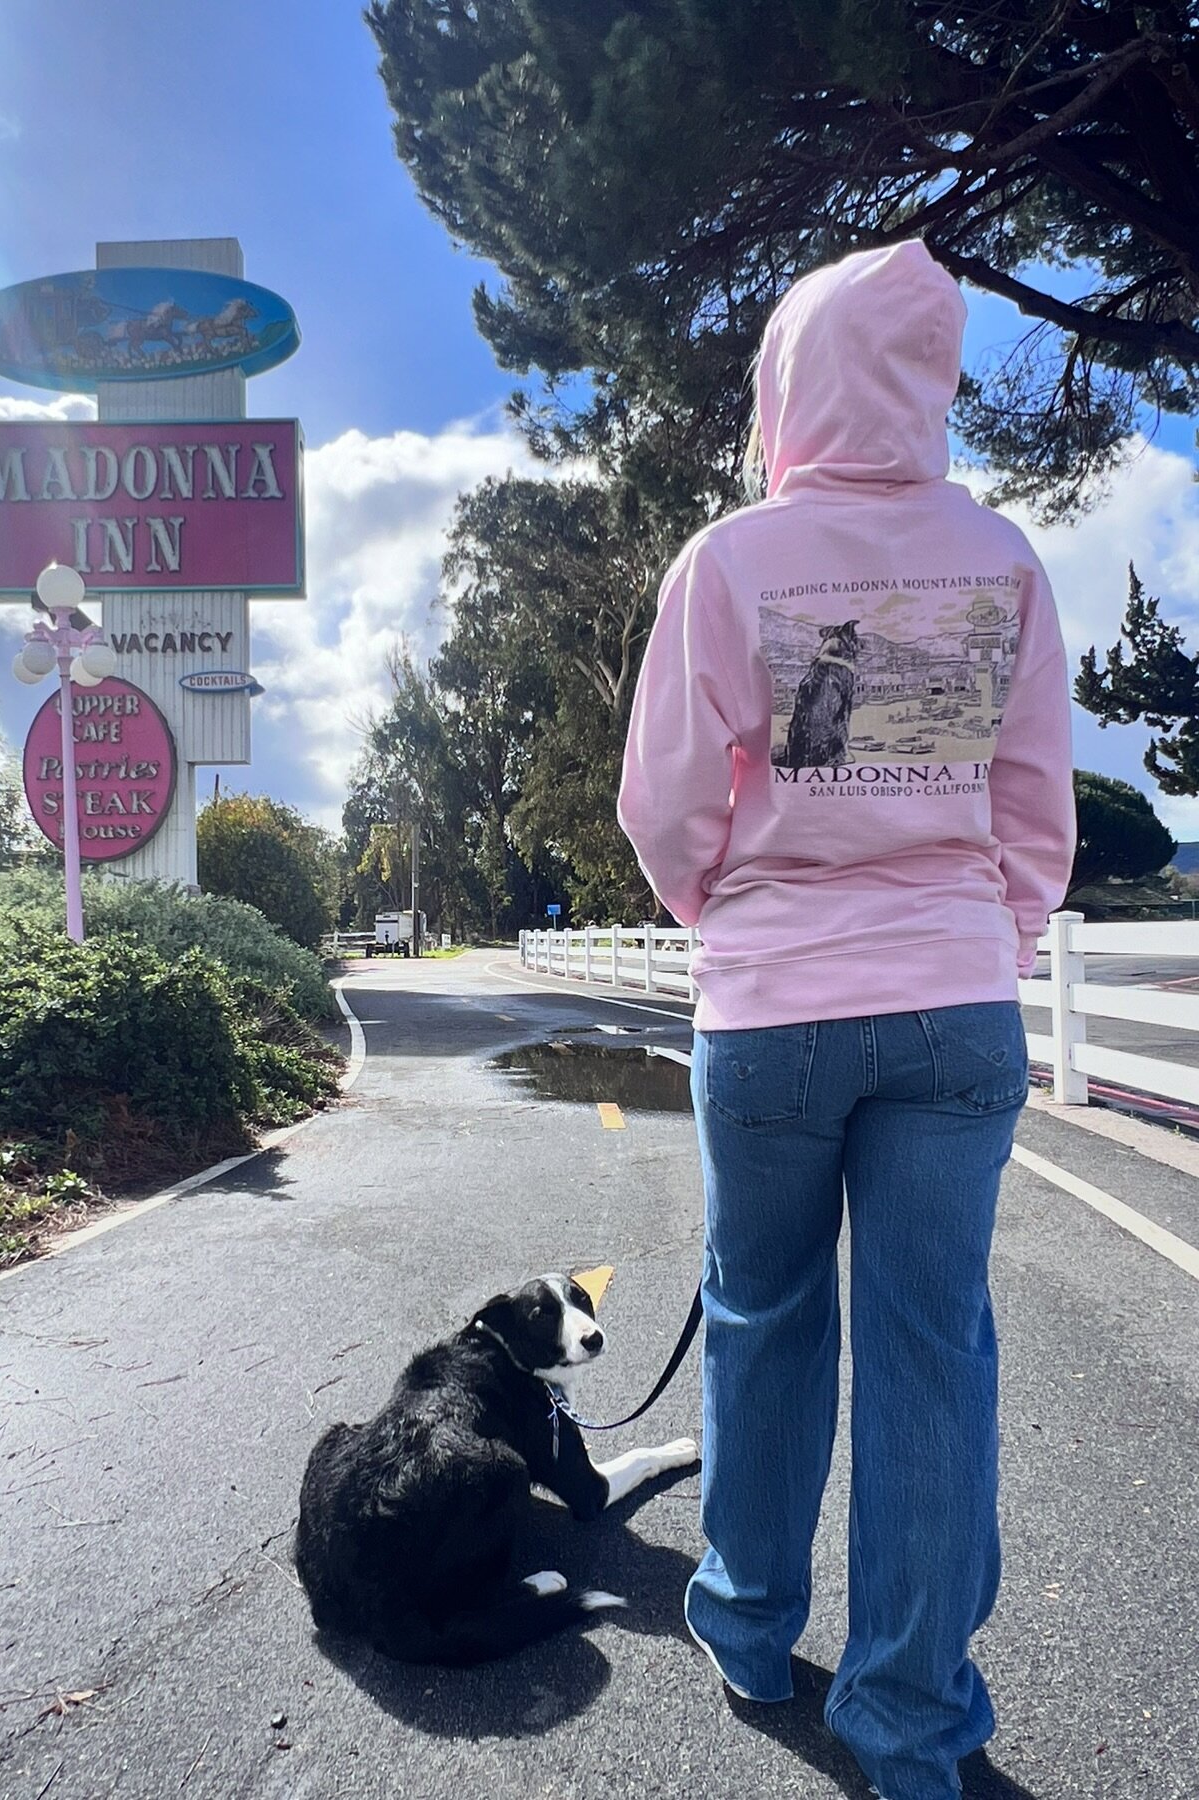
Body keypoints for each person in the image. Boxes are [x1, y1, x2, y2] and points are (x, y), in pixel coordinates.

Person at [618, 240, 1075, 1800]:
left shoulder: (731, 563)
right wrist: (985, 932)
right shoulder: (1000, 558)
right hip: (952, 1001)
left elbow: (666, 804)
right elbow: (1031, 800)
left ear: (786, 379)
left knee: (761, 1319)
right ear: (928, 379)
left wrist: (733, 919)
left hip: (773, 1011)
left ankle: (748, 1624)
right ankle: (910, 1722)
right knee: (932, 1352)